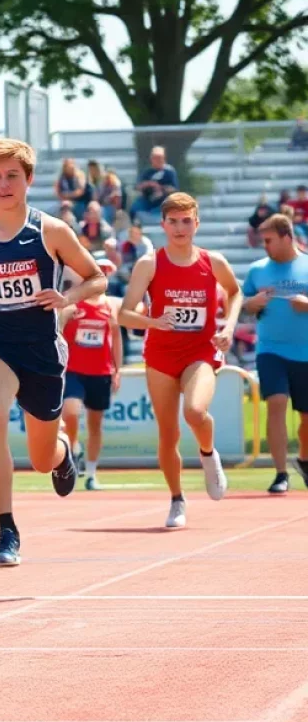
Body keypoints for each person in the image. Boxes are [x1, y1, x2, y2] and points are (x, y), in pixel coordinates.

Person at [0, 138, 107, 567]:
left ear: (28, 179)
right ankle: (6, 530)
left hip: (42, 351)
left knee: (40, 457)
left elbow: (96, 279)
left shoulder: (50, 231)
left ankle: (62, 452)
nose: (3, 183)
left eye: (12, 175)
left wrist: (67, 297)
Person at [119, 193, 242, 529]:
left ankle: (207, 454)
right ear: (163, 225)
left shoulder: (212, 262)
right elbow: (124, 314)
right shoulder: (150, 264)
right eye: (172, 221)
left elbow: (235, 292)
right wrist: (151, 322)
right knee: (168, 433)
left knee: (195, 411)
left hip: (199, 351)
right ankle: (176, 499)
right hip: (160, 355)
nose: (179, 227)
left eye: (186, 220)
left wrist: (228, 327)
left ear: (196, 224)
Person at [242, 214, 308, 494]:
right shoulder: (257, 271)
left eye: (269, 240)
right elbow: (242, 305)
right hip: (270, 350)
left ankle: (304, 460)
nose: (264, 246)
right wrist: (252, 303)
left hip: (305, 353)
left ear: (286, 237)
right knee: (277, 402)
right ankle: (281, 473)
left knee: (306, 418)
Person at [61, 259, 123, 491]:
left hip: (101, 371)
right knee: (70, 413)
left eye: (107, 273)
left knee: (95, 424)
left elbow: (115, 338)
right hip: (74, 369)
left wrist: (118, 369)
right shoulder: (73, 300)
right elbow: (57, 327)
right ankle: (74, 447)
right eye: (100, 272)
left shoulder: (110, 305)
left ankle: (92, 473)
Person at [132, 146, 178, 218]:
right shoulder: (147, 172)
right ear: (151, 159)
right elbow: (137, 187)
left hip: (163, 201)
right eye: (155, 158)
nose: (157, 160)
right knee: (135, 208)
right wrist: (148, 184)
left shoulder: (169, 172)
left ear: (164, 159)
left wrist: (160, 187)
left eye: (160, 158)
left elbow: (174, 189)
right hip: (146, 200)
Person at [54, 158, 88, 222]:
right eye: (66, 165)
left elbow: (81, 191)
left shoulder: (80, 175)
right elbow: (57, 192)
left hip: (79, 201)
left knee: (79, 209)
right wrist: (64, 199)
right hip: (64, 201)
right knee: (58, 210)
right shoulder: (61, 177)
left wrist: (68, 195)